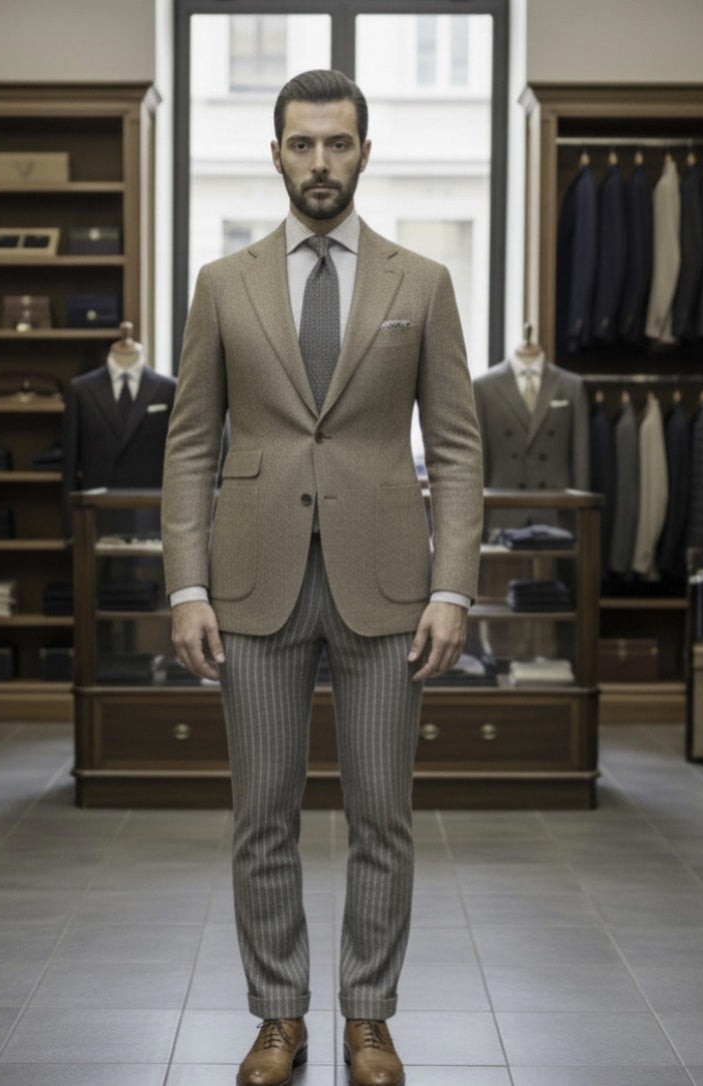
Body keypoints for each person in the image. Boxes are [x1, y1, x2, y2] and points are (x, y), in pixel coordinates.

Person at [161, 68, 483, 1086]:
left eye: (337, 144)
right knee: (263, 811)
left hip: (390, 586)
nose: (319, 163)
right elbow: (188, 445)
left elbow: (462, 449)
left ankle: (370, 1018)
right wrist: (186, 585)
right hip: (252, 580)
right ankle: (278, 1017)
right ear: (274, 153)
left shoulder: (420, 282)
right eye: (301, 145)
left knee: (383, 811)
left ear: (365, 152)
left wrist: (454, 586)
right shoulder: (224, 283)